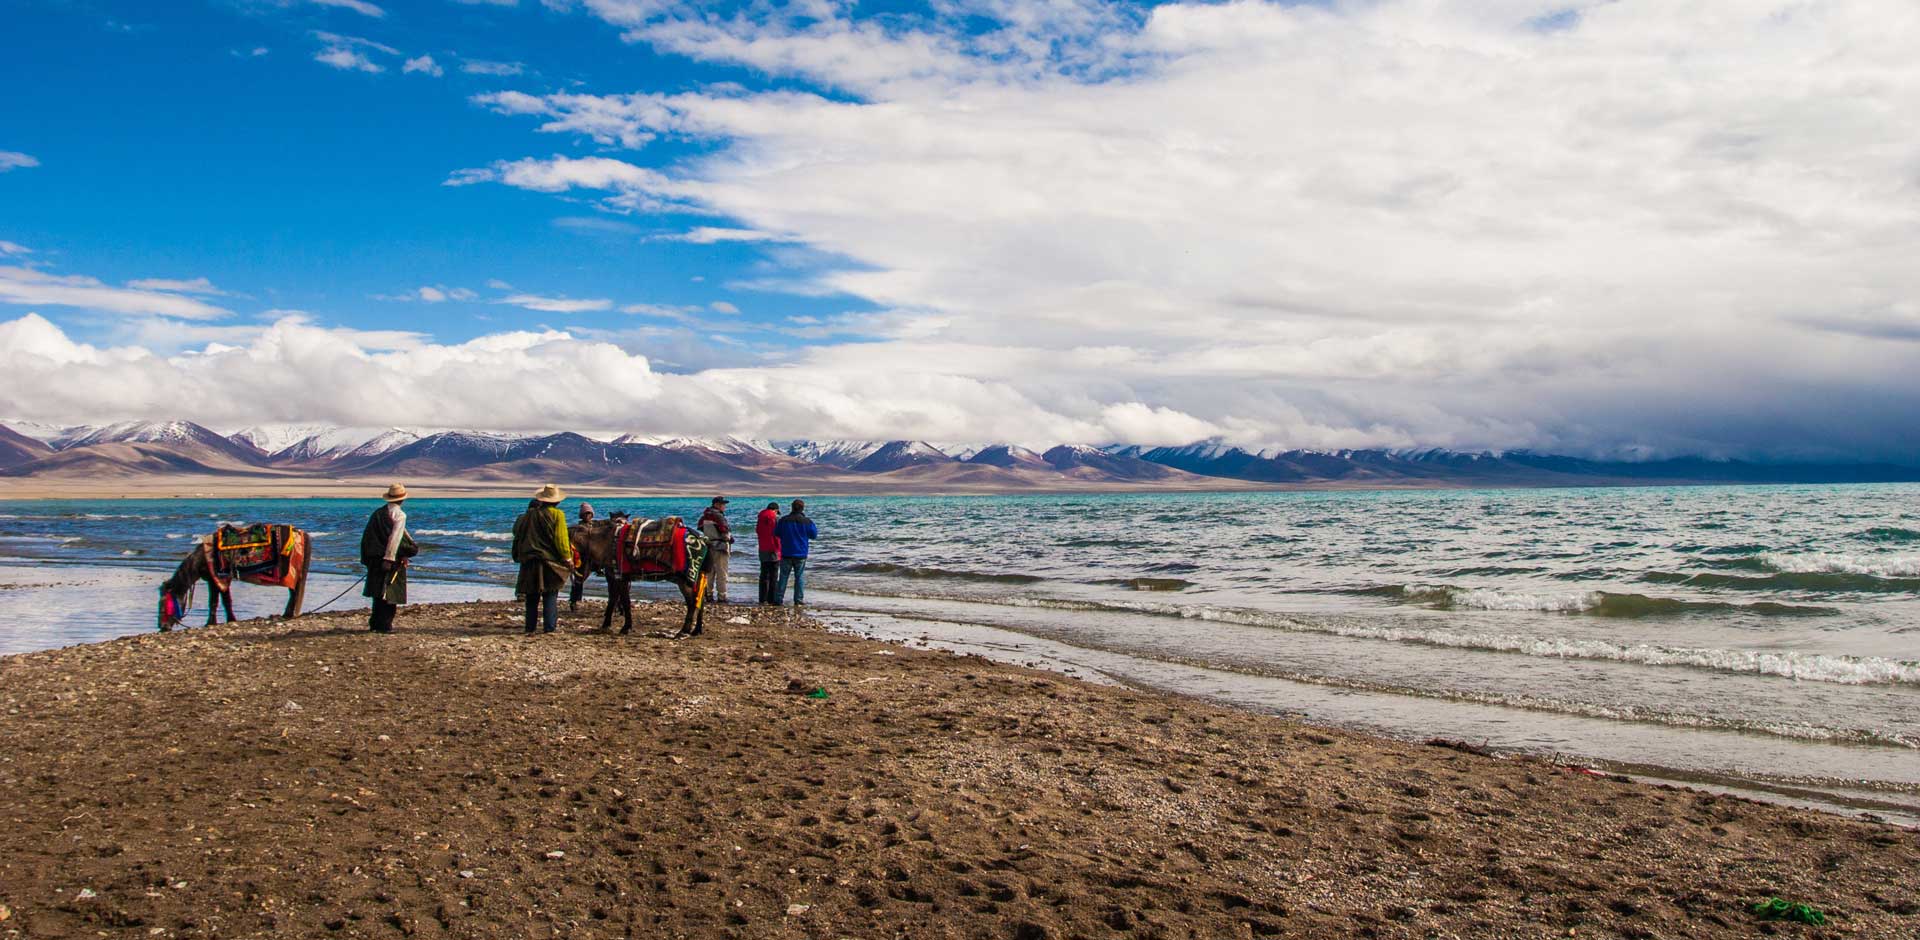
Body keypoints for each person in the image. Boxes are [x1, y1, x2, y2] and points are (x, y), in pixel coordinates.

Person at [512, 483, 573, 636]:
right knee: (550, 593)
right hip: (549, 561)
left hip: (529, 560)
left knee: (531, 596)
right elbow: (561, 539)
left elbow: (516, 533)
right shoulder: (557, 515)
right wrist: (567, 558)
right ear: (557, 501)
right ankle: (549, 627)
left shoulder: (526, 516)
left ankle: (530, 627)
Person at [358, 482, 416, 633]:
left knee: (378, 593)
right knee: (390, 593)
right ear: (402, 499)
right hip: (389, 560)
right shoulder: (400, 515)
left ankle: (375, 623)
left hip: (374, 557)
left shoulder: (378, 513)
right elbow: (395, 538)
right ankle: (385, 625)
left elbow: (368, 537)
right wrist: (389, 558)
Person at [772, 499, 818, 607]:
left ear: (792, 508)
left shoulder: (783, 520)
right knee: (799, 577)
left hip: (786, 552)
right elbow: (814, 535)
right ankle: (798, 600)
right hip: (800, 553)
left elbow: (776, 533)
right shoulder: (807, 521)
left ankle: (778, 599)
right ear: (802, 508)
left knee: (783, 576)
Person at [697, 496, 733, 604]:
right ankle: (722, 596)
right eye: (723, 504)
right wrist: (730, 539)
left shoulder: (705, 516)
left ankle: (708, 594)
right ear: (717, 505)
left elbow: (700, 527)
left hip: (708, 545)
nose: (724, 507)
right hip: (720, 547)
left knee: (710, 572)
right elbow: (725, 531)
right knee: (722, 572)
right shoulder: (718, 516)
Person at [568, 502, 598, 611]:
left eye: (589, 513)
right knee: (579, 580)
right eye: (585, 514)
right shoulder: (577, 529)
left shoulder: (597, 526)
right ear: (582, 515)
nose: (588, 516)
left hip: (596, 557)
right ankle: (575, 600)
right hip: (582, 558)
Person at [756, 501, 781, 605]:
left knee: (764, 574)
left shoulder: (760, 518)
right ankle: (771, 598)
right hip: (773, 548)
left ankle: (762, 598)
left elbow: (757, 531)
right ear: (775, 510)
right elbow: (777, 534)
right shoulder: (774, 518)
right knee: (774, 575)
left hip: (763, 548)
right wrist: (779, 548)